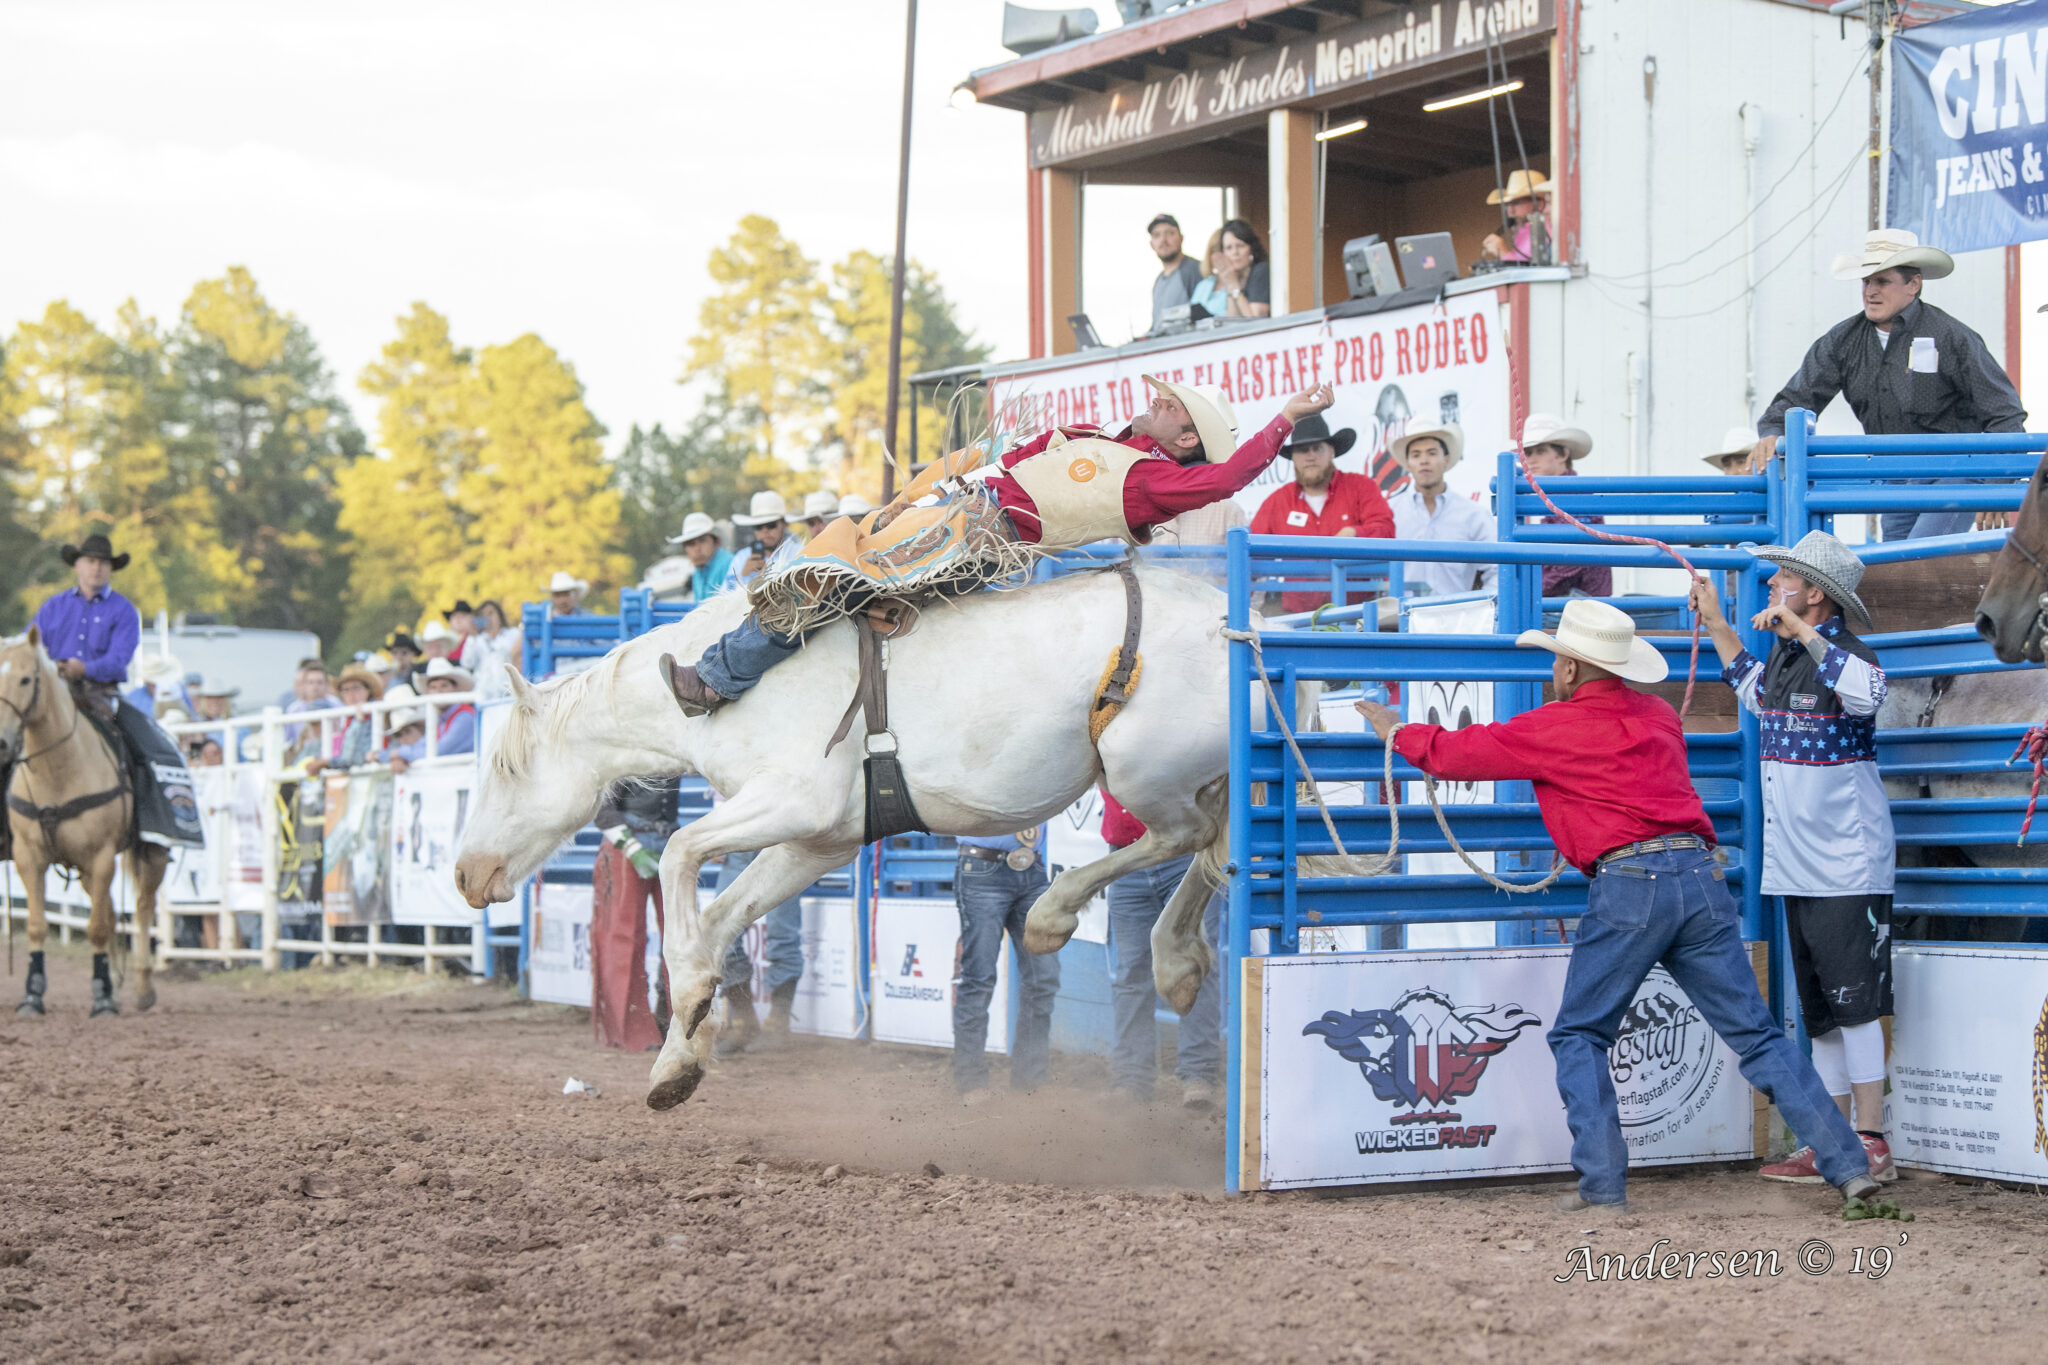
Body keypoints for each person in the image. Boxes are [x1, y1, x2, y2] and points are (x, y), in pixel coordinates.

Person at [1353, 598, 1885, 1214]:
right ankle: (1848, 1166)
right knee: (1758, 1036)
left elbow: (1455, 753)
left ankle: (1603, 1187)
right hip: (1699, 878)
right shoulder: (1658, 715)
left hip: (1630, 883)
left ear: (1573, 670)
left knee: (1580, 1032)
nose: (1554, 668)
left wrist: (1396, 730)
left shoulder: (1553, 725)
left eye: (1558, 659)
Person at [662, 379, 1337, 714]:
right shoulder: (1115, 448)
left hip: (979, 534)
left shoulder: (1150, 479)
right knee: (848, 572)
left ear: (1184, 437)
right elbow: (1015, 456)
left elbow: (1224, 478)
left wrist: (1286, 418)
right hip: (969, 521)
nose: (1156, 402)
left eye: (1170, 408)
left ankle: (719, 677)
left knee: (831, 571)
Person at [1689, 532, 1898, 1187]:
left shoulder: (1847, 656)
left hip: (1848, 864)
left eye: (1784, 577)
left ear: (1813, 593)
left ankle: (1872, 1141)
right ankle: (1837, 1141)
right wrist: (1719, 624)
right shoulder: (1785, 658)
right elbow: (1751, 686)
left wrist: (1802, 635)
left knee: (1856, 1006)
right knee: (1825, 1013)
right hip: (1802, 865)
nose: (1772, 584)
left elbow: (1867, 693)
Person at [1753, 228, 2025, 540]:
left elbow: (2004, 413)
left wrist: (1997, 483)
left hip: (1953, 476)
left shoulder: (1952, 337)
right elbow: (1794, 400)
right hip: (1894, 480)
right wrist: (1773, 433)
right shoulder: (1842, 342)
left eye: (1882, 281)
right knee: (1899, 571)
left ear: (1914, 284)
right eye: (1866, 281)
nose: (1870, 291)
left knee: (1916, 561)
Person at [21, 534, 202, 851]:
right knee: (9, 742)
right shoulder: (53, 607)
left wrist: (85, 669)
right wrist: (52, 668)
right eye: (90, 561)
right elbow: (29, 646)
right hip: (52, 695)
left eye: (103, 563)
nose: (96, 568)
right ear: (77, 565)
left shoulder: (123, 611)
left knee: (148, 749)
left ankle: (155, 828)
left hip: (99, 696)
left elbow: (119, 659)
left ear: (110, 569)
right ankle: (11, 826)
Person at [1099, 794, 1220, 1109]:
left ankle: (1196, 1075)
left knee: (1193, 966)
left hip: (1185, 852)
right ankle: (1132, 1079)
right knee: (1132, 972)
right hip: (1129, 858)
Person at [950, 828, 1059, 1103]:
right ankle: (971, 1082)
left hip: (1030, 869)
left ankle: (1030, 1080)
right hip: (983, 867)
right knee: (979, 978)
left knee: (1043, 978)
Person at [1249, 412, 1395, 614]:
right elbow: (1252, 556)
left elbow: (1387, 531)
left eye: (1317, 448)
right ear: (1293, 458)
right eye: (1302, 449)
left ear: (1332, 451)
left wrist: (1355, 533)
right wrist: (1233, 605)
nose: (1310, 456)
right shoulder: (1277, 502)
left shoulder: (1362, 487)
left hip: (1357, 615)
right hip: (1296, 619)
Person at [591, 776, 682, 1050]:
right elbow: (601, 809)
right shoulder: (623, 754)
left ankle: (680, 1024)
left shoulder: (674, 747)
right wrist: (632, 848)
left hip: (668, 841)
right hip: (628, 843)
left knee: (679, 935)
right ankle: (631, 1029)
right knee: (625, 936)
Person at [711, 845, 806, 1057]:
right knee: (723, 940)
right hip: (743, 848)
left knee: (782, 937)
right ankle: (745, 1023)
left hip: (783, 845)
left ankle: (777, 1024)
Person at [1387, 422, 1496, 597]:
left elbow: (1497, 568)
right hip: (1399, 617)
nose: (1424, 460)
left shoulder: (1473, 514)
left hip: (1457, 617)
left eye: (1432, 453)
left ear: (1446, 459)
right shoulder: (1390, 511)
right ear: (1407, 463)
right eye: (1416, 454)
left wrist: (1481, 607)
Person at [1519, 413, 1611, 601]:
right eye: (1528, 453)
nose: (1532, 459)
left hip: (1577, 601)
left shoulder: (1574, 495)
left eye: (1541, 451)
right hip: (1570, 599)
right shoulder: (1561, 495)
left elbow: (1570, 564)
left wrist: (1528, 590)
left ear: (1563, 455)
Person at [380, 658, 475, 774]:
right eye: (433, 688)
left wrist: (398, 754)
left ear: (455, 688)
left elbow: (437, 751)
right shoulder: (440, 719)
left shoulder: (464, 717)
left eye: (444, 686)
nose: (438, 691)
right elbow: (421, 747)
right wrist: (399, 756)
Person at [305, 664, 384, 777]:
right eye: (346, 690)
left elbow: (354, 758)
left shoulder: (377, 716)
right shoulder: (349, 719)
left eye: (356, 688)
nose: (351, 695)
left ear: (368, 691)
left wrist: (326, 762)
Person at [1480, 169, 1553, 266]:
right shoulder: (1523, 233)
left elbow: (1531, 274)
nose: (1510, 210)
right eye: (1507, 204)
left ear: (1539, 204)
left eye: (1515, 203)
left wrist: (1503, 252)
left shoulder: (1544, 232)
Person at [1148, 213, 1204, 331]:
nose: (1163, 240)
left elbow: (1206, 318)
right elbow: (1157, 327)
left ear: (1181, 238)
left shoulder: (1194, 269)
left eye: (1170, 233)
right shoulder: (1158, 281)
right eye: (1157, 235)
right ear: (1152, 244)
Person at [669, 512, 734, 603]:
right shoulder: (698, 571)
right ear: (686, 550)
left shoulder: (730, 564)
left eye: (702, 541)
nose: (697, 548)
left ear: (717, 542)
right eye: (691, 544)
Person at [1213, 219, 1271, 320]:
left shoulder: (1261, 270)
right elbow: (1232, 320)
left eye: (1240, 246)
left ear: (1251, 248)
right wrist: (1231, 284)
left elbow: (1255, 321)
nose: (1235, 252)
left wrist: (1234, 287)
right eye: (1229, 248)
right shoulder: (1235, 277)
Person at [470, 599, 522, 696]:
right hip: (483, 693)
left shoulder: (513, 634)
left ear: (499, 615)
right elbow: (467, 663)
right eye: (483, 615)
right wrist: (472, 636)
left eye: (491, 613)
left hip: (508, 691)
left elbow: (514, 655)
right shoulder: (477, 640)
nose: (488, 618)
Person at [1187, 228, 1228, 318]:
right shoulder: (1203, 285)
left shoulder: (1240, 284)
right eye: (1213, 251)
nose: (1217, 255)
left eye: (1222, 249)